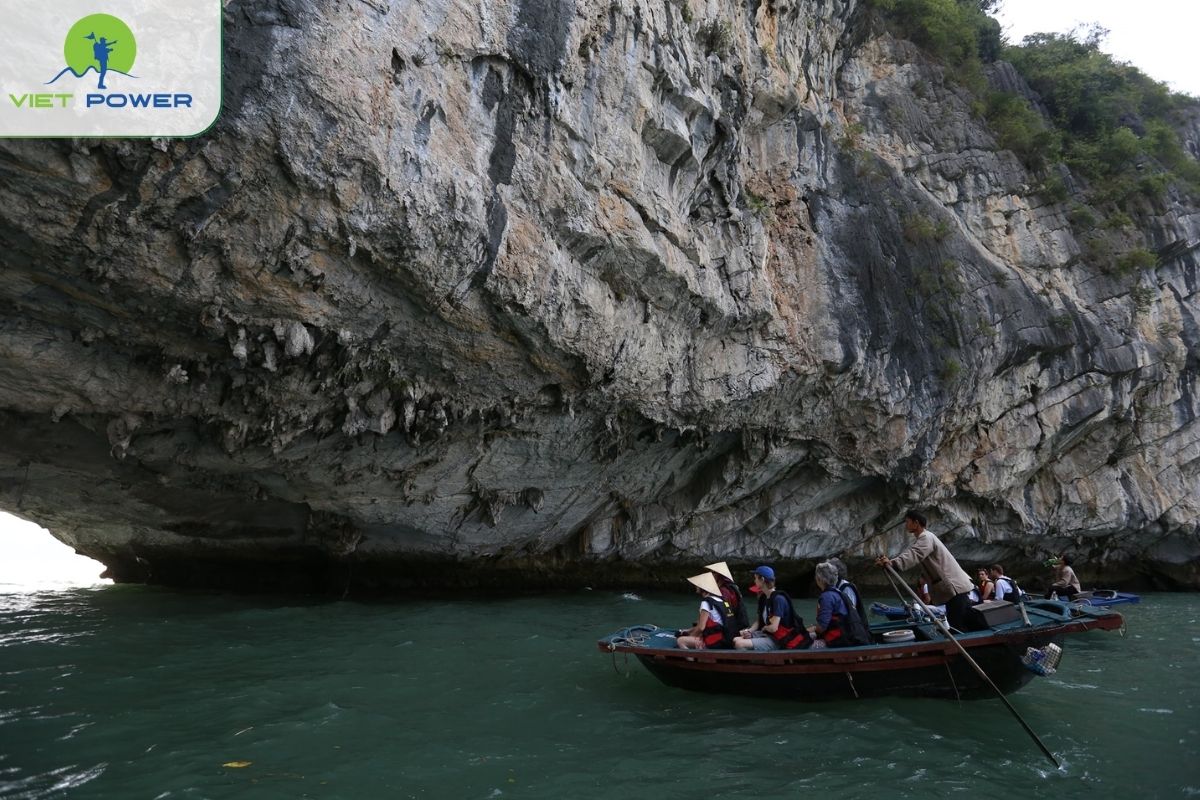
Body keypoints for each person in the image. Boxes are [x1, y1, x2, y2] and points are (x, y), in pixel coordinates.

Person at [875, 510, 978, 632]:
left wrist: (893, 564)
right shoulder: (925, 537)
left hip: (955, 587)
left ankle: (965, 642)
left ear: (916, 523)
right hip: (954, 589)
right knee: (957, 623)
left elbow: (915, 553)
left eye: (908, 522)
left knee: (958, 625)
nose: (906, 525)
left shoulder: (926, 537)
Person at [732, 566, 811, 651]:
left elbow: (773, 628)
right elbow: (759, 621)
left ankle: (758, 658)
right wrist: (749, 631)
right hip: (769, 635)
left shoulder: (778, 599)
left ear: (762, 579)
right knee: (735, 639)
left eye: (756, 578)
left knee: (739, 644)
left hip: (779, 640)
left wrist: (765, 628)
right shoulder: (764, 598)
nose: (754, 581)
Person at [809, 561, 871, 648]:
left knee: (805, 644)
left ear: (819, 579)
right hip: (848, 637)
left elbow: (822, 627)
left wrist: (808, 630)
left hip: (841, 641)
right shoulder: (838, 592)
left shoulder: (827, 597)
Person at [676, 573, 736, 650]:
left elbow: (701, 628)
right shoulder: (721, 600)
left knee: (680, 641)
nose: (696, 586)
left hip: (717, 641)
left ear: (702, 587)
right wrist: (689, 631)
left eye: (698, 585)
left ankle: (691, 657)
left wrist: (690, 636)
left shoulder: (706, 603)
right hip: (727, 638)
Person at [827, 556, 870, 632]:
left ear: (836, 573)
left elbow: (851, 612)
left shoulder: (847, 587)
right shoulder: (833, 588)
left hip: (854, 629)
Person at [705, 561, 750, 630]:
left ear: (720, 575)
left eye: (713, 572)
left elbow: (725, 611)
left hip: (732, 626)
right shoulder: (729, 587)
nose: (710, 575)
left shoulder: (724, 591)